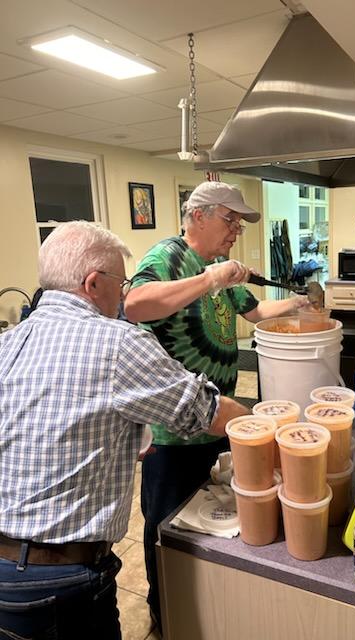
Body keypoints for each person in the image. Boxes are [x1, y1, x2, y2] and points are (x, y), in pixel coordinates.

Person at [0, 221, 248, 640]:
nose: (124, 293)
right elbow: (205, 410)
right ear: (93, 283)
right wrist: (271, 424)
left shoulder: (7, 343)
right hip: (61, 581)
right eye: (122, 282)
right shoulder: (117, 342)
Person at [124, 181, 308, 631]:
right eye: (231, 220)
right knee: (167, 529)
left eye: (240, 224)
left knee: (211, 523)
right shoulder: (167, 258)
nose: (236, 232)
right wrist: (210, 278)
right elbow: (134, 305)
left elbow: (255, 312)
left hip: (219, 421)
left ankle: (203, 604)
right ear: (199, 216)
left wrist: (299, 304)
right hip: (176, 432)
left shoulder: (219, 267)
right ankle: (163, 609)